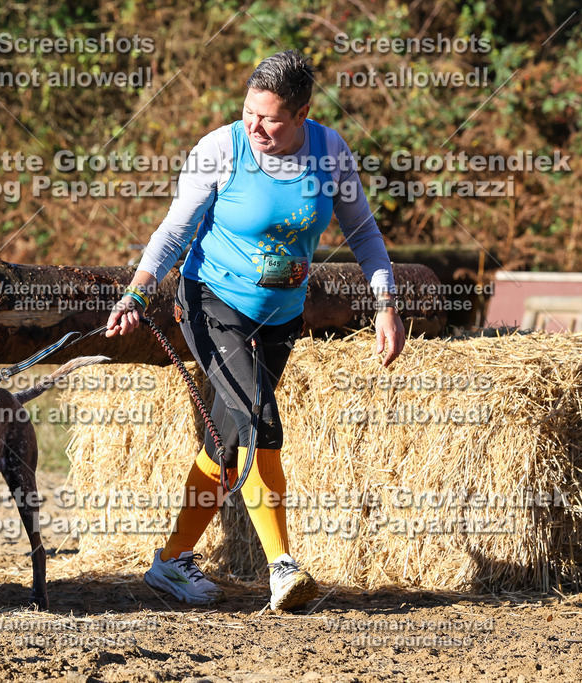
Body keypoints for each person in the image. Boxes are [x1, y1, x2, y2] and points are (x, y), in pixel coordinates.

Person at [105, 50, 405, 611]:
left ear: (302, 115)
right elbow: (174, 230)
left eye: (270, 118)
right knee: (259, 415)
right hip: (211, 301)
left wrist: (385, 304)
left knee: (225, 441)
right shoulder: (221, 149)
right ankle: (282, 566)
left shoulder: (330, 152)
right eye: (249, 112)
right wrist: (138, 291)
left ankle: (170, 561)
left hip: (280, 315)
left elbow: (364, 233)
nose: (255, 126)